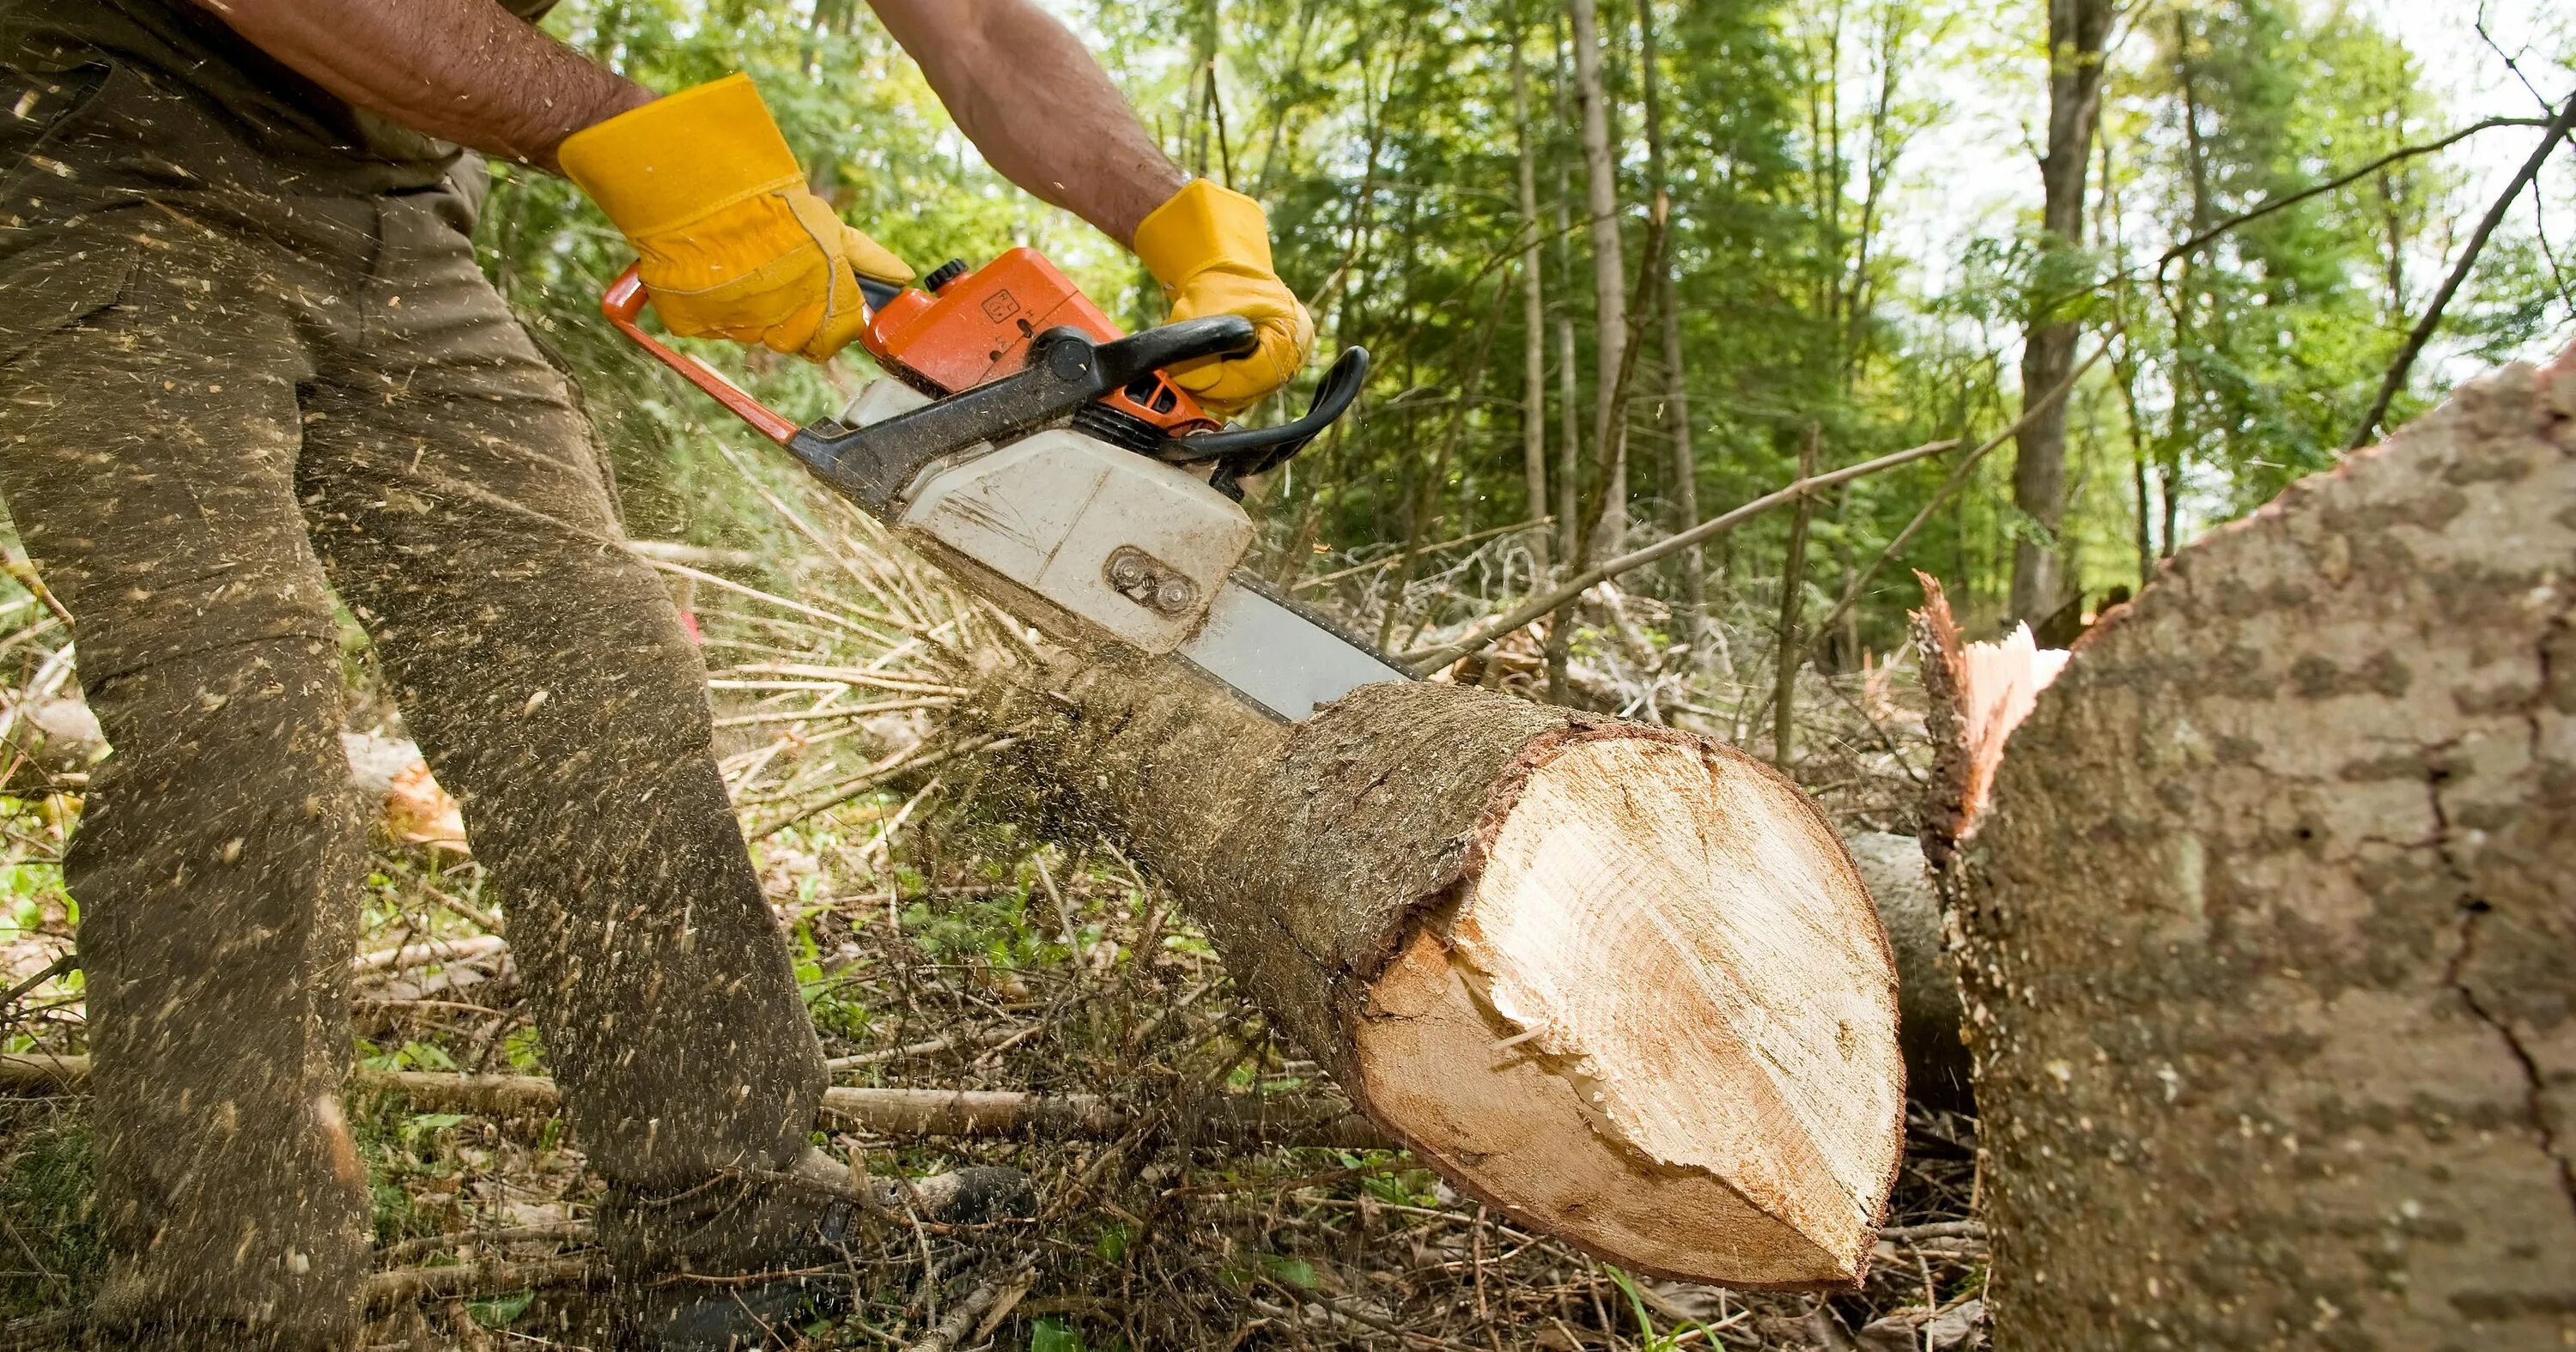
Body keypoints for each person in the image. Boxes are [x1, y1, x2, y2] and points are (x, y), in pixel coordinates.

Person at [0, 0, 1313, 1346]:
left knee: (599, 692)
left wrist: (1184, 223)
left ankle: (731, 1229)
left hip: (392, 207)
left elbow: (974, 24)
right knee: (237, 734)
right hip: (101, 165)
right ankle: (227, 1311)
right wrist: (634, 135)